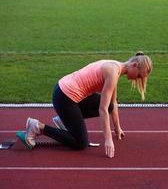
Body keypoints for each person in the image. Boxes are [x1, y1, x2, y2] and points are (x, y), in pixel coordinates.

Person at [16, 52, 153, 158]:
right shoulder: (112, 72)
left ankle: (64, 120)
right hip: (64, 97)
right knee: (80, 143)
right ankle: (37, 127)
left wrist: (117, 129)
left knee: (109, 105)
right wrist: (108, 139)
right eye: (139, 76)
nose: (137, 79)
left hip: (66, 92)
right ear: (134, 65)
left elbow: (113, 103)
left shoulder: (115, 66)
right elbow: (103, 110)